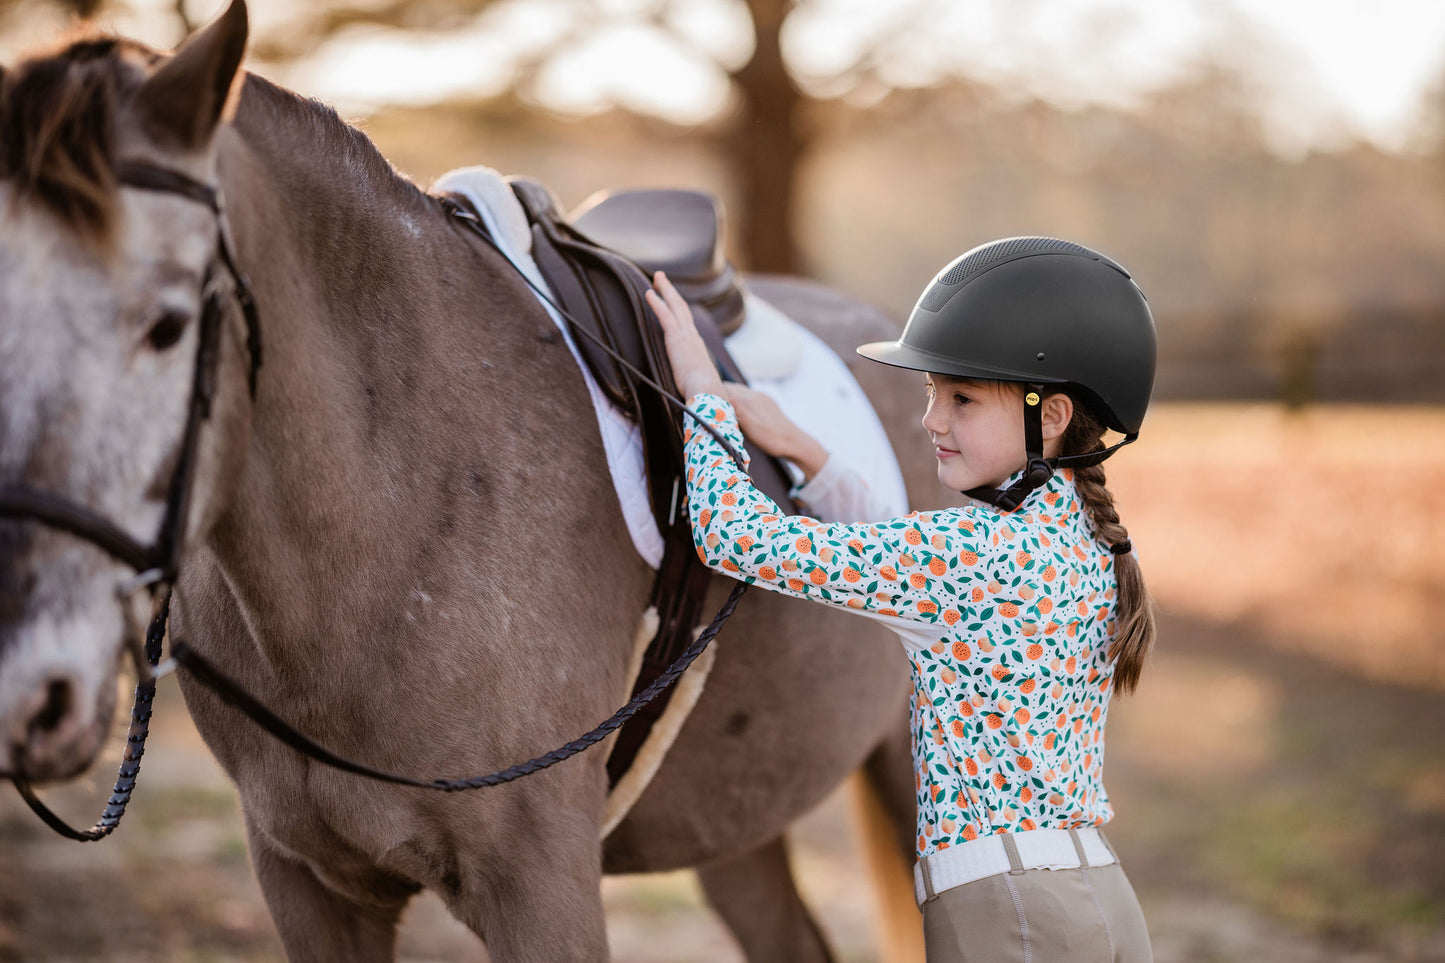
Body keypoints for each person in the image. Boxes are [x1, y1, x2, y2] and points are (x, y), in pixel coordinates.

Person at [645, 236, 1158, 963]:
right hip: (1101, 898)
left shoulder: (968, 554)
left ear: (1050, 416)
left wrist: (702, 393)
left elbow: (737, 537)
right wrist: (801, 448)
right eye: (931, 394)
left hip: (1003, 910)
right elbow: (896, 549)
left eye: (962, 399)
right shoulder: (1088, 542)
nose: (932, 420)